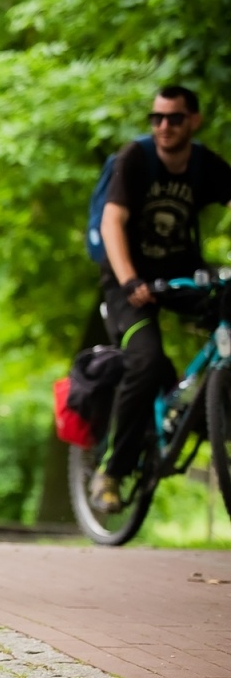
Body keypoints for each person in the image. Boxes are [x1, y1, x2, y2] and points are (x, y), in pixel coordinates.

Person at [90, 85, 231, 512]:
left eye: (173, 118)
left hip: (180, 274)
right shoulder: (136, 158)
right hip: (127, 281)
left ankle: (204, 407)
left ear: (194, 121)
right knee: (146, 360)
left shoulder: (204, 164)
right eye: (157, 119)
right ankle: (110, 472)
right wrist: (130, 279)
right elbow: (113, 223)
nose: (164, 127)